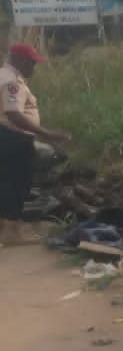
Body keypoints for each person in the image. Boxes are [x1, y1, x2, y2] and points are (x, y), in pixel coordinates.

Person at [0, 43, 70, 245]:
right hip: (12, 138)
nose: (34, 67)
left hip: (6, 136)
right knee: (16, 184)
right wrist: (46, 133)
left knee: (6, 182)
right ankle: (11, 233)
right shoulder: (12, 82)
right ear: (20, 60)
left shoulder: (3, 75)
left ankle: (6, 229)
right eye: (32, 63)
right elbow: (13, 114)